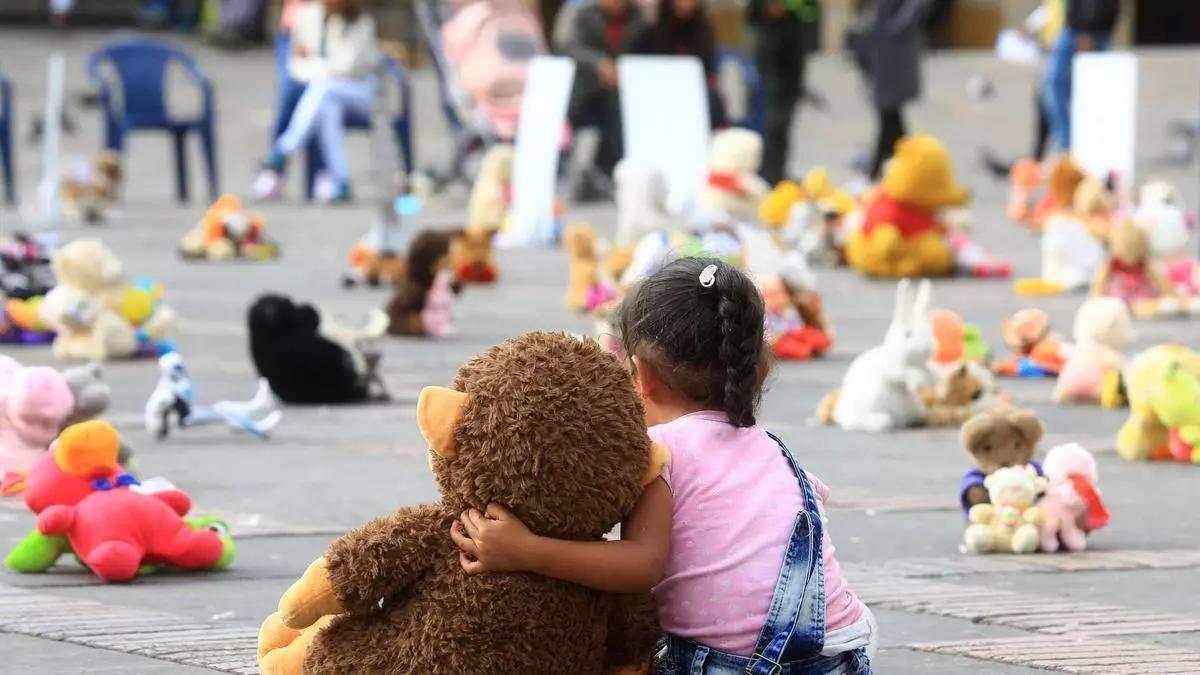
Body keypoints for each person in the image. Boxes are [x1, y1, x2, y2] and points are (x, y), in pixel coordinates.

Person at [451, 258, 875, 674]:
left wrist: (528, 551)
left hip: (732, 665)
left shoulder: (659, 452)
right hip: (840, 653)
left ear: (642, 374)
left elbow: (640, 565)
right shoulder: (774, 450)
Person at [252, 0, 380, 202]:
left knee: (324, 88)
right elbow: (296, 64)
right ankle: (341, 180)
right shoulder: (309, 16)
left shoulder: (361, 22)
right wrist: (323, 70)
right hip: (327, 92)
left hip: (361, 94)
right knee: (328, 106)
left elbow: (349, 66)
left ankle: (283, 150)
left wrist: (317, 68)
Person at [557, 0, 650, 180]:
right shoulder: (578, 11)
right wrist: (598, 63)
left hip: (620, 90)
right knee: (586, 133)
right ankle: (581, 174)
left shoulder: (636, 17)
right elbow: (565, 44)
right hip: (582, 89)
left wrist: (622, 70)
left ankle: (616, 173)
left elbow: (640, 50)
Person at [854, 0, 929, 181]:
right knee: (891, 116)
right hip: (879, 54)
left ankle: (881, 167)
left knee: (889, 114)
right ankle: (907, 166)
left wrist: (895, 28)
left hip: (894, 57)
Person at [747, 0, 820, 184]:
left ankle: (776, 175)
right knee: (761, 124)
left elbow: (811, 13)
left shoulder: (796, 17)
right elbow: (751, 15)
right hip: (765, 64)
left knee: (782, 126)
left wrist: (790, 10)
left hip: (789, 64)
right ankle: (759, 172)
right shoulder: (759, 20)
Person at [1042, 0, 1119, 152]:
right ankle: (1065, 145)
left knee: (1089, 94)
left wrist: (1086, 31)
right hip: (1073, 29)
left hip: (1090, 33)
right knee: (1054, 87)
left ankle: (1073, 145)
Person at [643, 0, 727, 129]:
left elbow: (708, 67)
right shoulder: (654, 31)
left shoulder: (704, 30)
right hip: (663, 90)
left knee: (712, 96)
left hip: (696, 90)